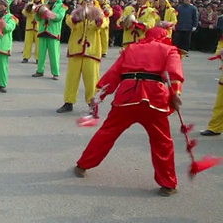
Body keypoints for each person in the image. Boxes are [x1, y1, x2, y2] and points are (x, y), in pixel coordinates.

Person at [73, 27, 184, 197]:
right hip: (154, 97)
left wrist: (100, 94)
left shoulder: (131, 48)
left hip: (126, 95)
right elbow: (173, 75)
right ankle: (167, 183)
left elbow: (114, 73)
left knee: (107, 132)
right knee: (162, 142)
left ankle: (82, 165)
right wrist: (175, 95)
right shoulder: (170, 50)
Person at [58, 0, 107, 113]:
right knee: (71, 78)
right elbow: (69, 22)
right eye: (85, 0)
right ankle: (68, 102)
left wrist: (95, 17)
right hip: (76, 50)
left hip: (92, 51)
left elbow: (103, 25)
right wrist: (80, 15)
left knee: (92, 80)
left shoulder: (99, 13)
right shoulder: (75, 12)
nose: (88, 2)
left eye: (90, 0)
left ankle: (92, 104)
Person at [32, 0, 66, 80]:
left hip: (53, 32)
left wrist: (49, 14)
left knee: (54, 54)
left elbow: (59, 17)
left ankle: (55, 73)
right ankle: (40, 70)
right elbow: (38, 19)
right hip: (43, 31)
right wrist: (36, 13)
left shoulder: (61, 6)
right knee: (41, 53)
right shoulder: (44, 5)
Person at [21, 0, 42, 64]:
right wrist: (28, 10)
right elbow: (24, 12)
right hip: (29, 26)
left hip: (38, 27)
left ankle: (38, 58)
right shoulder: (29, 4)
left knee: (38, 44)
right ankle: (26, 57)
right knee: (27, 42)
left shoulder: (43, 6)